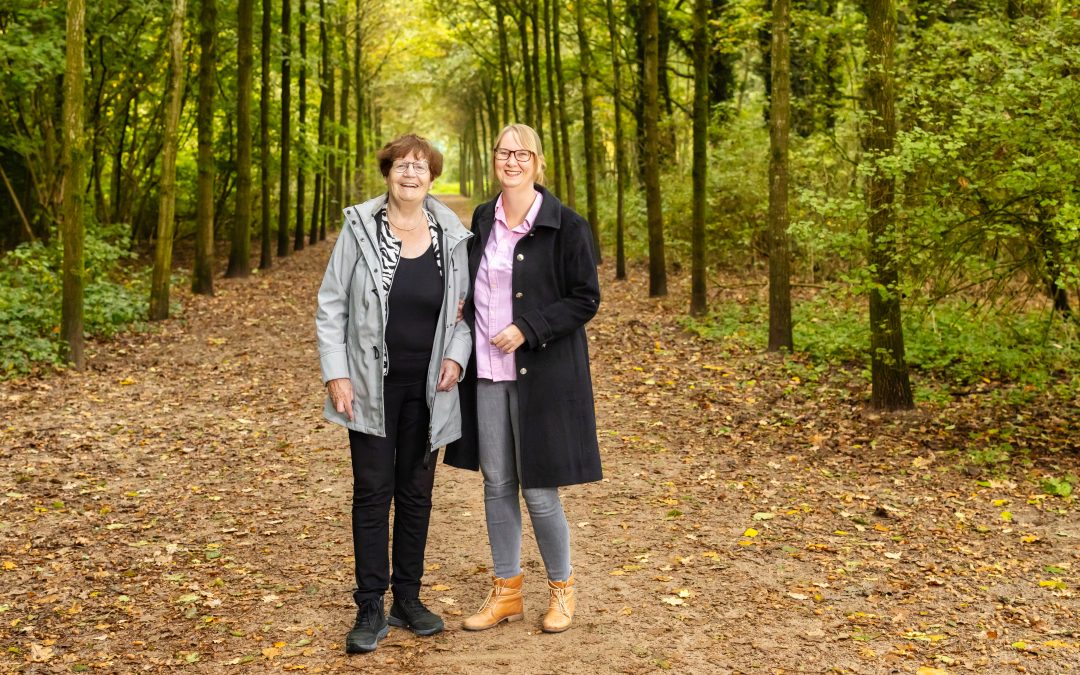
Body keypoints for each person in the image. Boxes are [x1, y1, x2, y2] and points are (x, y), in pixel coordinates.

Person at [315, 134, 472, 654]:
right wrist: (336, 374)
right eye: (402, 165)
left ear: (432, 178)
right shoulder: (359, 227)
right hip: (369, 386)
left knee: (416, 494)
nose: (410, 174)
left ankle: (407, 597)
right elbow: (331, 305)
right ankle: (369, 606)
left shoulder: (452, 234)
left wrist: (456, 356)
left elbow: (467, 314)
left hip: (429, 388)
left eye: (420, 167)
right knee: (371, 493)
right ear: (387, 173)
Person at [445, 123, 602, 634]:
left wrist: (528, 328)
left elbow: (585, 298)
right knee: (496, 485)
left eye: (522, 153)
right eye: (503, 152)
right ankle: (506, 592)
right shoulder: (482, 217)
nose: (511, 161)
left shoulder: (567, 226)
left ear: (538, 162)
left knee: (538, 489)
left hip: (542, 376)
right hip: (488, 375)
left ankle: (562, 590)